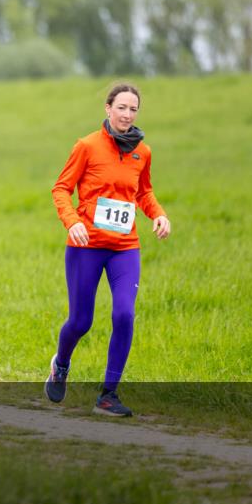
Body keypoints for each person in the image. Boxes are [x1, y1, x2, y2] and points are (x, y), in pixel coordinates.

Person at [45, 83, 171, 417]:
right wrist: (71, 221)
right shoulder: (87, 146)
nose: (127, 115)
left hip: (125, 247)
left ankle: (108, 395)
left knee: (124, 315)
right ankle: (60, 364)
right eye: (122, 108)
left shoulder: (142, 151)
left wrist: (158, 214)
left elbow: (143, 192)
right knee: (80, 321)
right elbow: (61, 189)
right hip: (86, 246)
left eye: (133, 109)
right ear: (107, 108)